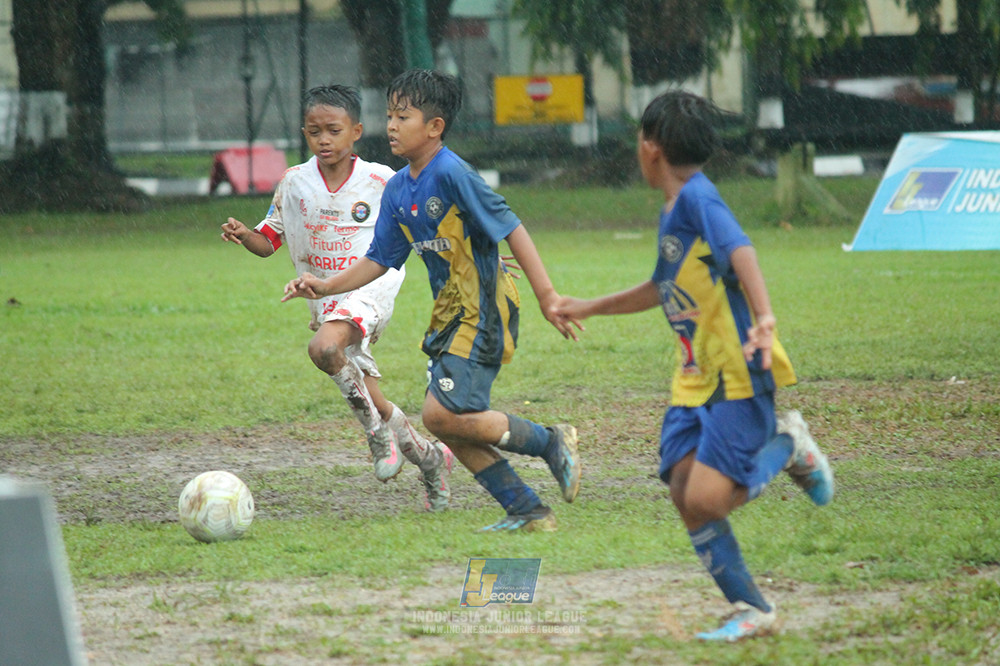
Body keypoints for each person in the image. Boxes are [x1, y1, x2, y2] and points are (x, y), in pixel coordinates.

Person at [555, 91, 834, 640]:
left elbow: (742, 249)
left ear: (650, 147)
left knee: (707, 498)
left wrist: (765, 319)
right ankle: (753, 609)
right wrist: (589, 306)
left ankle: (788, 445)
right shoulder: (674, 208)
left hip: (736, 369)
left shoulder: (698, 198)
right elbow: (662, 287)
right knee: (685, 489)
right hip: (695, 376)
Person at [282, 69, 582, 533]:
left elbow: (511, 226)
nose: (392, 126)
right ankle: (526, 509)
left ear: (435, 126)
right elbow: (380, 258)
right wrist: (325, 286)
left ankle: (549, 441)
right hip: (448, 316)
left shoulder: (452, 173)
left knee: (439, 415)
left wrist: (548, 297)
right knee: (448, 422)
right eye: (389, 116)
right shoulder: (399, 188)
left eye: (403, 117)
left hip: (483, 309)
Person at [221, 84, 453, 511]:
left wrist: (468, 253)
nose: (324, 140)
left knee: (324, 348)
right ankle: (432, 459)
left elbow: (427, 226)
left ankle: (375, 435)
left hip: (371, 287)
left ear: (356, 131)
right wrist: (245, 235)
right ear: (304, 134)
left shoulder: (382, 180)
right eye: (314, 132)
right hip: (326, 299)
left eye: (333, 130)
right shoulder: (294, 182)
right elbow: (269, 241)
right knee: (375, 399)